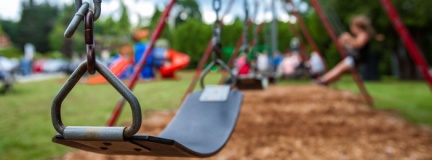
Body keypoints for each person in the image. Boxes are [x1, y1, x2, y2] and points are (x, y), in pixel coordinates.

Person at [315, 15, 374, 85]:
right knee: (340, 68)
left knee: (340, 68)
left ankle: (323, 80)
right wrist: (345, 43)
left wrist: (348, 38)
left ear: (359, 27)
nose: (352, 29)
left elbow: (358, 44)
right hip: (355, 57)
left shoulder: (363, 34)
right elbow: (352, 46)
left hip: (358, 58)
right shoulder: (359, 35)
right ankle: (325, 80)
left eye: (353, 27)